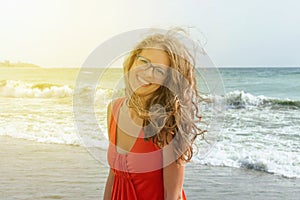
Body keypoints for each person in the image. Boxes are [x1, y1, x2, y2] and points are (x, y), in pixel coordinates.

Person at [104, 28, 204, 200]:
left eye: (158, 71)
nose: (147, 73)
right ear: (132, 61)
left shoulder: (168, 124)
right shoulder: (114, 109)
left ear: (168, 79)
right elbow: (113, 176)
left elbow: (173, 196)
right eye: (144, 61)